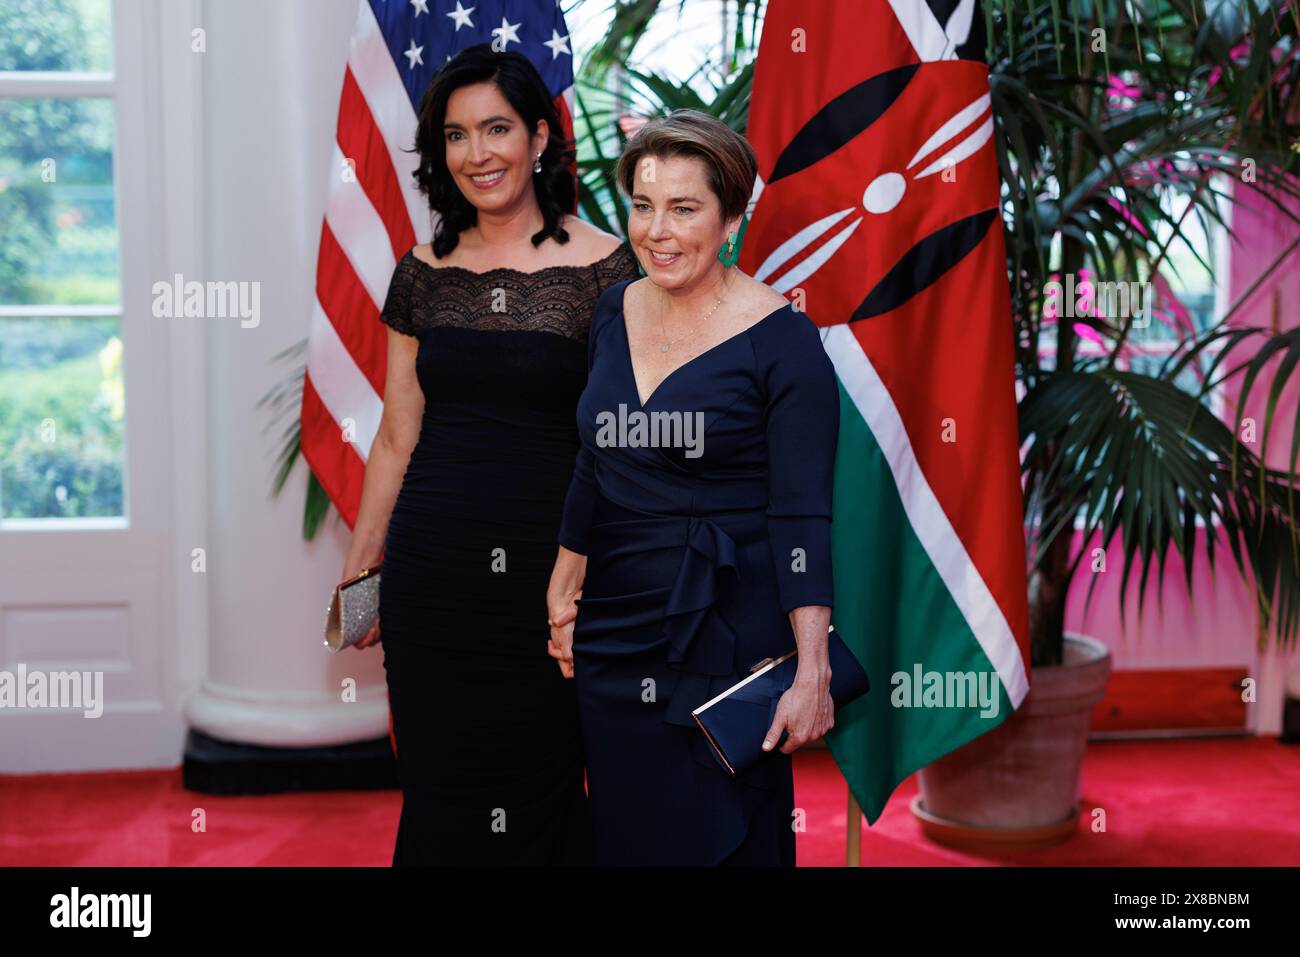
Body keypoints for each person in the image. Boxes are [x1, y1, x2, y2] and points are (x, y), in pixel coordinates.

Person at [341, 44, 639, 866]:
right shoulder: (421, 272)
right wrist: (363, 578)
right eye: (458, 135)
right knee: (442, 793)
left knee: (544, 786)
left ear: (541, 137)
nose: (479, 154)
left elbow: (618, 438)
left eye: (498, 128)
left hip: (555, 579)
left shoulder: (608, 267)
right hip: (432, 579)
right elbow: (398, 434)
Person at [545, 109, 840, 866]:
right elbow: (595, 453)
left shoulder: (785, 341)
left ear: (732, 215)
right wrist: (565, 577)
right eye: (643, 206)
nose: (657, 231)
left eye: (684, 208)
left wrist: (812, 668)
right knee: (627, 835)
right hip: (614, 631)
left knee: (720, 836)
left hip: (725, 635)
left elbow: (802, 516)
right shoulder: (615, 306)